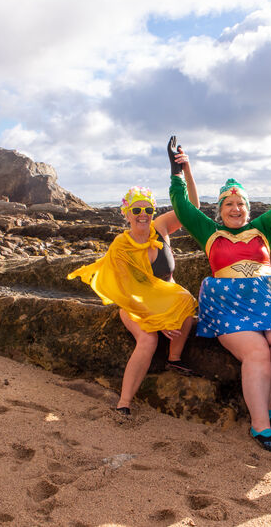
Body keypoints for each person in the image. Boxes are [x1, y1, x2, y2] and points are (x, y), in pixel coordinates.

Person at [168, 136, 271, 453]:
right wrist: (177, 173)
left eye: (240, 204)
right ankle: (260, 426)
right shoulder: (209, 232)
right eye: (229, 204)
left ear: (248, 208)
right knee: (257, 353)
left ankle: (262, 407)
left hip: (268, 297)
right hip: (228, 303)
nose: (235, 208)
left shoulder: (264, 227)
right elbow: (182, 207)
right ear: (220, 210)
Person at [68, 172, 200, 417]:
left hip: (168, 298)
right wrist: (157, 322)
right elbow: (128, 293)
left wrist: (184, 170)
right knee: (148, 340)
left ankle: (174, 357)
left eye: (148, 210)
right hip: (136, 304)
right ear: (126, 213)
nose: (143, 215)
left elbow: (192, 207)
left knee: (186, 301)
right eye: (136, 210)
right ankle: (124, 402)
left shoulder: (160, 227)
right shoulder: (121, 245)